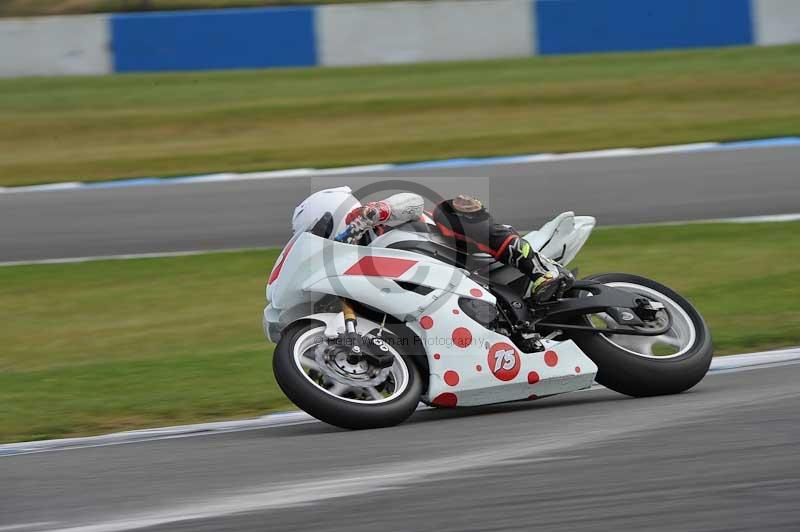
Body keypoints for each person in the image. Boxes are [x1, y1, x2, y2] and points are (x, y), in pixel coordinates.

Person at [344, 192, 573, 304]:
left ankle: (540, 270)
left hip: (460, 255)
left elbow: (413, 202)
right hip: (437, 294)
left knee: (449, 211)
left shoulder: (371, 224)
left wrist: (375, 211)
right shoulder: (347, 269)